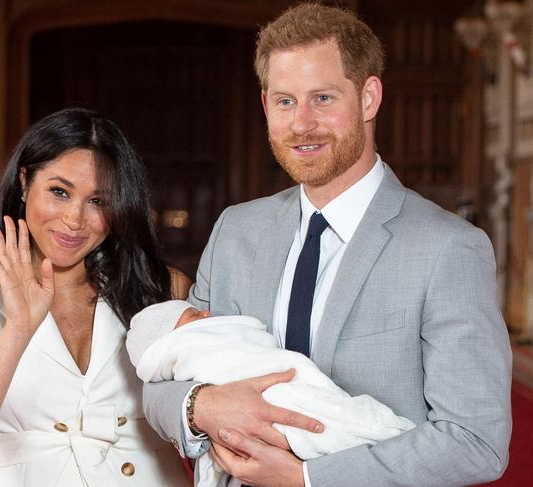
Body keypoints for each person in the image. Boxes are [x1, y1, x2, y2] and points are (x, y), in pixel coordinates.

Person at [143, 3, 512, 487]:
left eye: (322, 98)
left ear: (368, 98)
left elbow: (475, 440)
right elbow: (160, 384)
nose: (301, 124)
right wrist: (202, 405)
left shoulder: (448, 249)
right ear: (265, 105)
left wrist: (309, 477)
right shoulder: (236, 230)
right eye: (285, 101)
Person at [0, 108, 191, 486]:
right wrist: (17, 329)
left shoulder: (165, 289)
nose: (75, 219)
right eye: (59, 192)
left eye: (98, 201)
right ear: (24, 181)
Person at [127, 300, 415, 487]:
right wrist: (202, 404)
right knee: (327, 421)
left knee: (322, 414)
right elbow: (157, 392)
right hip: (250, 448)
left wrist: (302, 477)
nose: (206, 313)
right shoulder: (230, 231)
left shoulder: (446, 243)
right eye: (193, 315)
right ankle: (367, 429)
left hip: (367, 471)